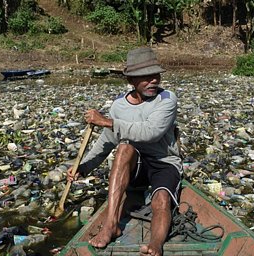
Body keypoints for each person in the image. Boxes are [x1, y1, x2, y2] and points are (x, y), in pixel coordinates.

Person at [67, 47, 182, 256]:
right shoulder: (120, 105)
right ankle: (111, 225)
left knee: (161, 200)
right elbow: (107, 141)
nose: (153, 81)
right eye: (145, 77)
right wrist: (84, 167)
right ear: (131, 80)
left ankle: (156, 244)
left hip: (164, 161)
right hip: (134, 164)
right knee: (124, 148)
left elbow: (150, 132)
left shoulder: (166, 99)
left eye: (155, 75)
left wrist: (106, 121)